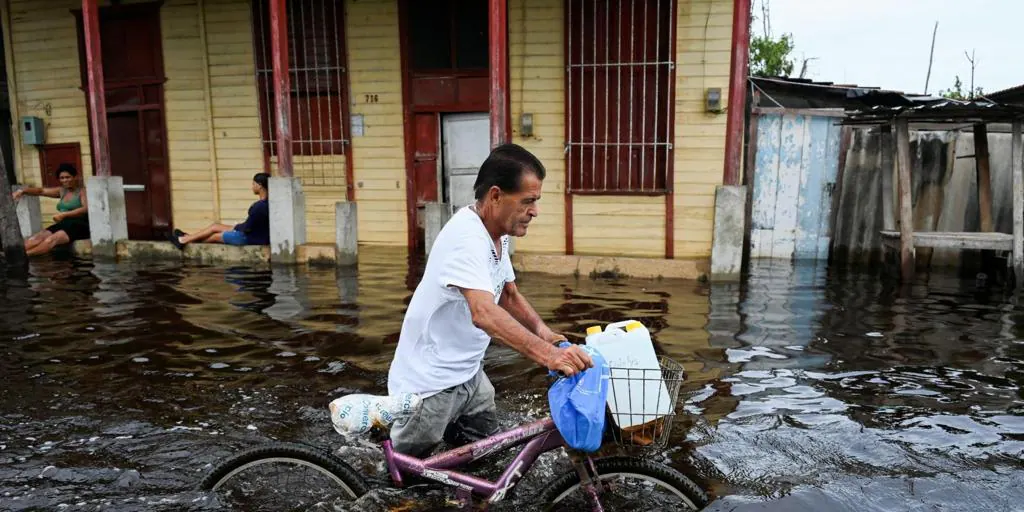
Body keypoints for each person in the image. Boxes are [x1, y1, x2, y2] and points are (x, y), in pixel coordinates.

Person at [387, 143, 594, 457]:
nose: (535, 211)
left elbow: (508, 294)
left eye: (536, 201)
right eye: (528, 201)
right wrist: (548, 356)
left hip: (470, 376)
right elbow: (483, 312)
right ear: (496, 196)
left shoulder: (498, 232)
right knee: (406, 475)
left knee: (489, 459)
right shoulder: (466, 239)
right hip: (430, 388)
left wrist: (546, 334)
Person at [169, 172, 270, 249]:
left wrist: (235, 227)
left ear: (259, 185)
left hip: (249, 238)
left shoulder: (259, 206)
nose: (252, 187)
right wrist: (236, 226)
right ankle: (187, 238)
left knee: (214, 236)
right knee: (215, 226)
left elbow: (248, 228)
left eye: (253, 184)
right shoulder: (267, 203)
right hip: (253, 234)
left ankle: (185, 240)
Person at [11, 163, 89, 256]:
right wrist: (22, 191)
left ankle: (22, 256)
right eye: (62, 178)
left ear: (75, 177)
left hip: (80, 225)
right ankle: (10, 254)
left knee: (50, 240)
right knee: (35, 239)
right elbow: (41, 191)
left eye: (68, 177)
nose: (65, 180)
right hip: (64, 223)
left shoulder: (82, 191)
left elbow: (85, 209)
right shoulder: (62, 191)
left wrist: (64, 215)